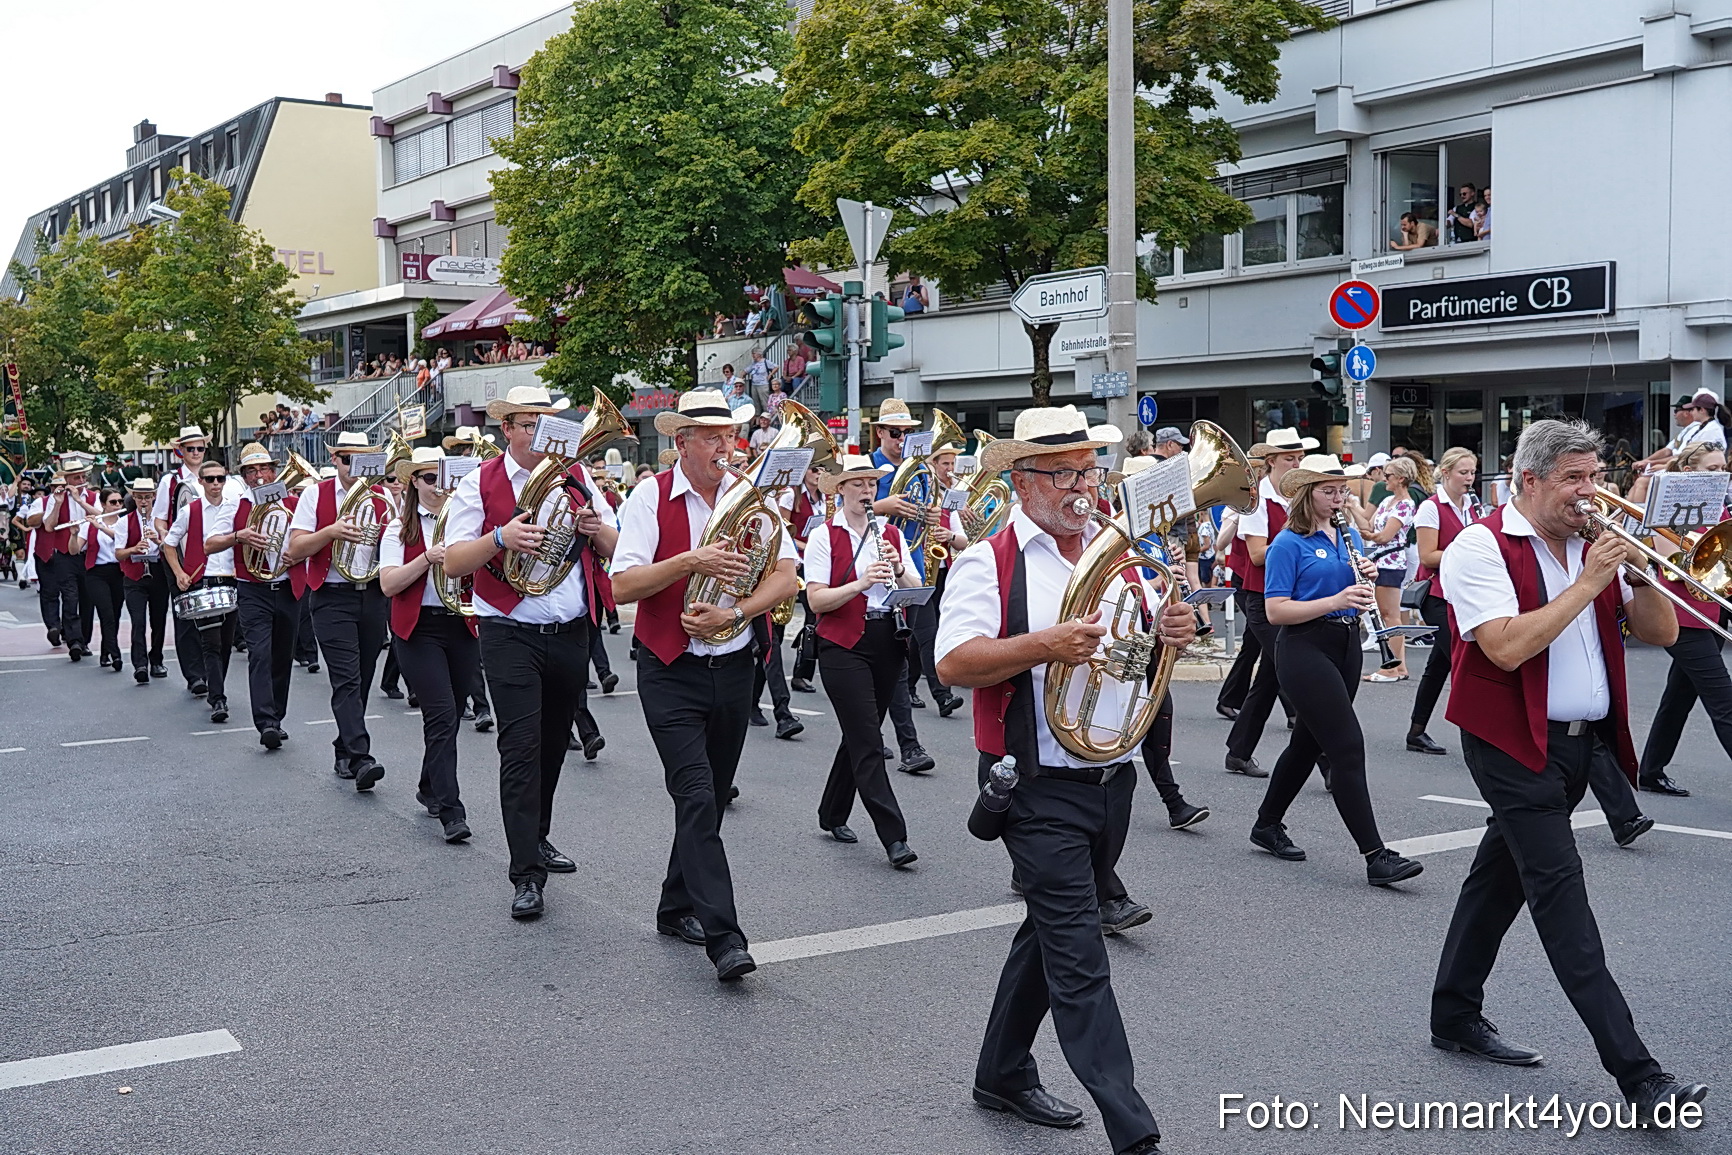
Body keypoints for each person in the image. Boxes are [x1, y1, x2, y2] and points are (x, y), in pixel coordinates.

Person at [1429, 418, 1707, 1121]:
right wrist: (1589, 580)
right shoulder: (1480, 545)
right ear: (1529, 480)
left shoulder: (1594, 544)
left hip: (1583, 746)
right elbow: (1505, 648)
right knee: (1563, 900)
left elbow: (1661, 633)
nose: (1593, 494)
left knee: (1498, 878)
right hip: (1511, 741)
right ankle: (1643, 1078)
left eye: (1596, 477)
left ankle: (1453, 1012)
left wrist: (1642, 575)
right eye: (1574, 480)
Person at [936, 405, 1190, 1155]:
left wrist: (1172, 629)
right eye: (1065, 472)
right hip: (1037, 781)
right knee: (1080, 957)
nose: (1084, 486)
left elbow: (1140, 650)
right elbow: (953, 662)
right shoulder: (990, 560)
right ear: (1023, 480)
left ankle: (1000, 1072)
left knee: (1046, 934)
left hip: (1111, 776)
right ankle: (1134, 1129)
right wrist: (1045, 644)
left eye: (1090, 469)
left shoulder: (1120, 554)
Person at [610, 389, 798, 981]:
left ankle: (674, 905)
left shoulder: (748, 496)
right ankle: (726, 938)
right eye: (711, 435)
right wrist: (692, 562)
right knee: (695, 796)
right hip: (670, 669)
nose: (725, 445)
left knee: (710, 799)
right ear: (681, 442)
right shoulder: (649, 494)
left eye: (728, 434)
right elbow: (623, 586)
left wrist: (736, 615)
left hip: (735, 664)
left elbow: (788, 578)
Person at [442, 385, 619, 918]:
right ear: (508, 430)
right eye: (528, 424)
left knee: (551, 745)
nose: (540, 434)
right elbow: (452, 562)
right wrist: (501, 538)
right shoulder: (479, 482)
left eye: (548, 424)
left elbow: (617, 548)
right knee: (519, 748)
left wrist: (596, 528)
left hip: (570, 630)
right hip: (509, 631)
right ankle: (525, 873)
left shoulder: (578, 476)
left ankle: (536, 836)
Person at [1248, 454, 1424, 885]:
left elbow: (1353, 588)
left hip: (1344, 644)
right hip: (1304, 646)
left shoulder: (1347, 535)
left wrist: (1367, 573)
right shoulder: (1289, 543)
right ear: (1308, 495)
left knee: (1308, 743)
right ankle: (1375, 855)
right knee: (1346, 746)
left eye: (1342, 490)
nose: (1340, 498)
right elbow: (1275, 611)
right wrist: (1336, 600)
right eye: (1330, 491)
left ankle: (1266, 823)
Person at [805, 455, 923, 865]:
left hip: (886, 638)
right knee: (870, 741)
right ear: (840, 490)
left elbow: (914, 587)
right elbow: (817, 599)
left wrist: (898, 567)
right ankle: (895, 837)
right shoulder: (825, 535)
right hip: (841, 642)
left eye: (871, 484)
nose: (867, 491)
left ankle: (831, 812)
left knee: (861, 732)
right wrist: (860, 582)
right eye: (857, 484)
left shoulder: (889, 532)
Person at [285, 430, 392, 791]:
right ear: (335, 460)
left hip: (374, 594)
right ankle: (362, 757)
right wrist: (331, 531)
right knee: (346, 678)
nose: (355, 467)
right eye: (348, 459)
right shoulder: (316, 493)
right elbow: (297, 547)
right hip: (331, 595)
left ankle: (343, 747)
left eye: (363, 460)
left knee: (361, 677)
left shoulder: (381, 497)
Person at [380, 447, 477, 844]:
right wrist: (427, 557)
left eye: (445, 477)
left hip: (460, 624)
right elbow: (388, 584)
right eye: (431, 478)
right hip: (417, 629)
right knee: (440, 715)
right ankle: (452, 811)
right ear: (414, 483)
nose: (440, 486)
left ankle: (427, 784)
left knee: (451, 715)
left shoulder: (466, 521)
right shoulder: (396, 530)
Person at [1636, 442, 1732, 796]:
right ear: (1689, 473)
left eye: (1723, 467)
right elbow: (1674, 563)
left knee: (1679, 696)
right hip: (1679, 615)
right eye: (1712, 469)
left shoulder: (1720, 507)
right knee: (1725, 701)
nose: (1721, 474)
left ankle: (1650, 770)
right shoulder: (1669, 507)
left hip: (1712, 613)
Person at [1223, 428, 1316, 776]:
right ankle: (1329, 761)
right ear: (1272, 461)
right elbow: (1258, 554)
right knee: (1299, 674)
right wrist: (1297, 543)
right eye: (1289, 458)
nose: (1296, 463)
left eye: (1299, 458)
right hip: (1261, 597)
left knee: (1271, 678)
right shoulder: (1257, 500)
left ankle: (1238, 750)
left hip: (1289, 595)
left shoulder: (1294, 498)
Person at [204, 443, 303, 750]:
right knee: (259, 654)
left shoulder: (294, 502)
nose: (260, 476)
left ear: (274, 471)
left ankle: (277, 716)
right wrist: (239, 536)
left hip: (287, 587)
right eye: (252, 471)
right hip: (253, 588)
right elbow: (210, 543)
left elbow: (308, 539)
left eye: (265, 469)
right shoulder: (235, 504)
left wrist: (296, 555)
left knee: (282, 655)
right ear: (244, 476)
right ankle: (266, 723)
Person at [867, 397, 935, 774]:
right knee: (892, 663)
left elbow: (926, 518)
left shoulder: (921, 473)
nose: (902, 439)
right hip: (876, 577)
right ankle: (903, 745)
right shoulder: (868, 468)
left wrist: (935, 517)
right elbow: (845, 513)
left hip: (912, 570)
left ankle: (893, 742)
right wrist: (885, 503)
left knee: (907, 655)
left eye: (908, 433)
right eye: (896, 433)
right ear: (880, 433)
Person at [1407, 447, 1480, 755]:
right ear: (1446, 473)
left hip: (1463, 594)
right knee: (1463, 663)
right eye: (1464, 472)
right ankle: (1479, 735)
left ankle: (1416, 732)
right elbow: (1428, 556)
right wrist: (1467, 554)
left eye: (1473, 472)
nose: (1469, 478)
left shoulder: (1472, 506)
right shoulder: (1431, 508)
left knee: (1438, 666)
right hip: (1437, 596)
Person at [162, 459, 241, 724]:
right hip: (203, 581)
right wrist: (180, 573)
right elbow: (169, 544)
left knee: (226, 644)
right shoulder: (190, 511)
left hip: (231, 580)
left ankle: (217, 687)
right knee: (211, 643)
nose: (216, 484)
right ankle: (218, 698)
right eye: (210, 479)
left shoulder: (235, 509)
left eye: (220, 478)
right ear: (201, 482)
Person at [26, 454, 99, 660]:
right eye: (76, 477)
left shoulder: (92, 497)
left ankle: (83, 640)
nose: (81, 480)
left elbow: (100, 516)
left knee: (87, 599)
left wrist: (79, 500)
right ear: (67, 480)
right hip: (64, 555)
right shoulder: (52, 499)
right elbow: (49, 526)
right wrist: (58, 504)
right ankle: (74, 641)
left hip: (87, 553)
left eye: (82, 476)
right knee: (69, 597)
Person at [1362, 455, 1420, 682]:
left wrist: (1367, 535)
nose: (1384, 479)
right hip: (1383, 560)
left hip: (1391, 561)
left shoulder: (1406, 504)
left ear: (1401, 479)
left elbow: (1385, 536)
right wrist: (1352, 507)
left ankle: (1391, 667)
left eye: (1388, 475)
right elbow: (1368, 525)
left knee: (1390, 615)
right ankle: (1400, 666)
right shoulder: (1388, 501)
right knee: (1388, 614)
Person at [114, 477, 169, 683]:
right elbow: (118, 554)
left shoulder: (160, 521)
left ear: (154, 497)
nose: (144, 502)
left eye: (147, 497)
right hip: (134, 574)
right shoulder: (123, 522)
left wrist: (157, 540)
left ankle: (156, 660)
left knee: (159, 620)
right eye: (140, 498)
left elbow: (173, 545)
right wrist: (134, 548)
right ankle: (140, 665)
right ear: (134, 498)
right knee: (138, 622)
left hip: (158, 572)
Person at [75, 488, 127, 671]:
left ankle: (106, 651)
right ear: (103, 505)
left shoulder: (124, 523)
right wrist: (74, 533)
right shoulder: (89, 524)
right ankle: (115, 654)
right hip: (96, 573)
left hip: (119, 572)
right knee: (106, 614)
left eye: (120, 502)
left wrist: (101, 528)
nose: (118, 505)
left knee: (115, 614)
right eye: (113, 502)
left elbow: (122, 539)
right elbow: (74, 550)